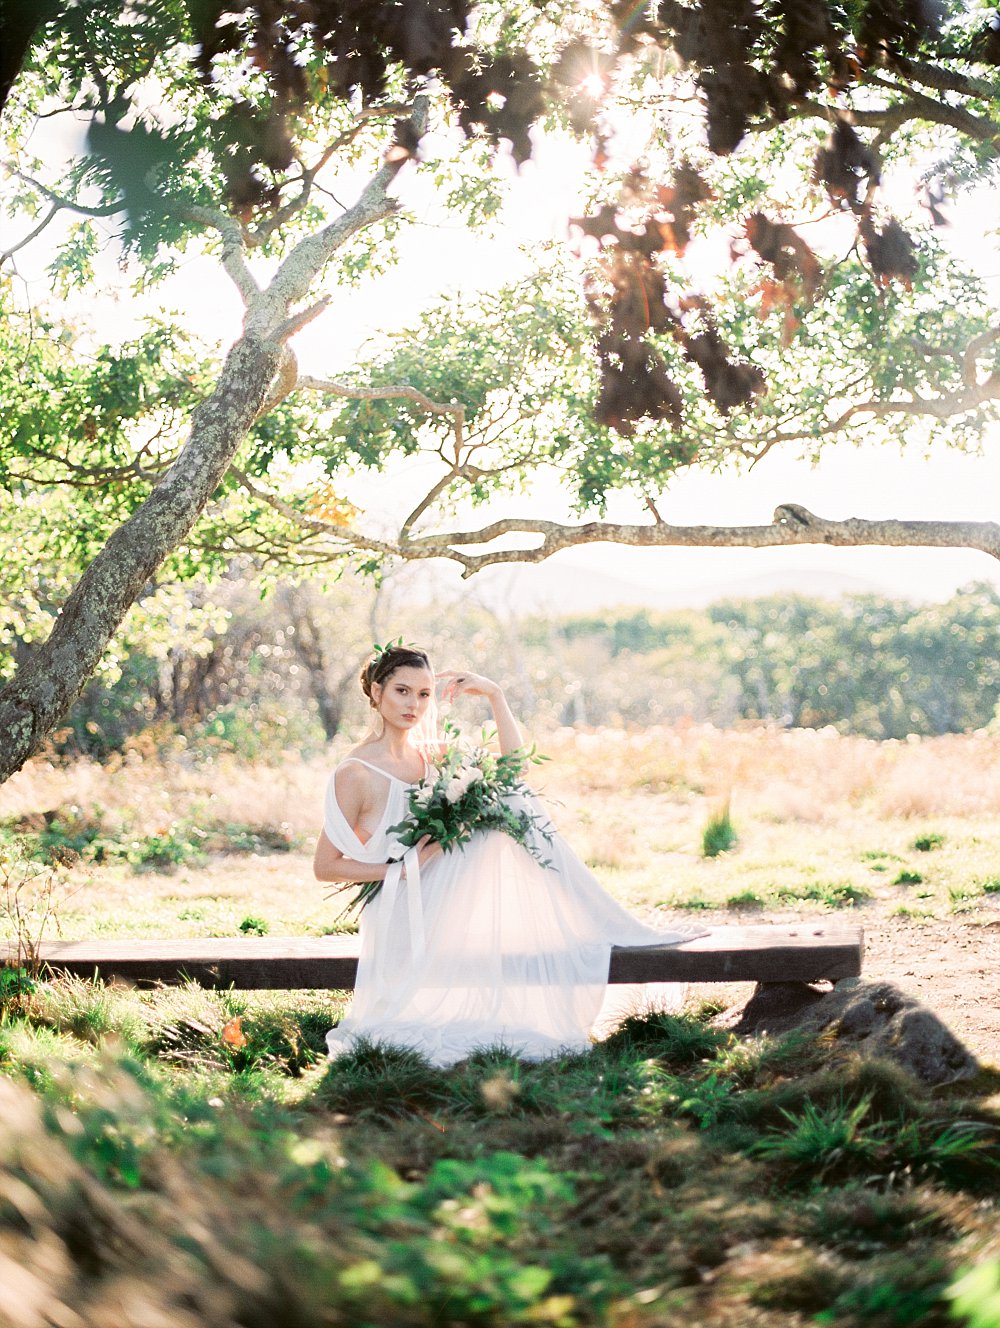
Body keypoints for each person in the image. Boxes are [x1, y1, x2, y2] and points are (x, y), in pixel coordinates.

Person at [313, 643, 698, 1068]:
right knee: (507, 806)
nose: (414, 705)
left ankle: (584, 919)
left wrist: (496, 695)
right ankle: (590, 916)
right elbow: (325, 866)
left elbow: (515, 769)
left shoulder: (428, 754)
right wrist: (403, 869)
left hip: (439, 889)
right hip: (402, 904)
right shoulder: (356, 772)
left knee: (510, 798)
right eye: (403, 691)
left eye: (424, 694)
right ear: (377, 692)